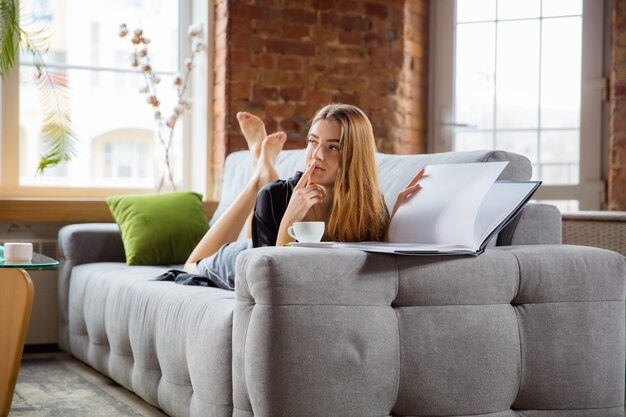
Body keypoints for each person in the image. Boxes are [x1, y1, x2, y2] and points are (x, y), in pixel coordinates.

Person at [183, 103, 424, 290]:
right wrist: (290, 216)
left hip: (261, 243)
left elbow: (372, 265)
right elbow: (267, 281)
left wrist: (394, 220)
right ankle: (259, 174)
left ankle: (262, 165)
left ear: (355, 155)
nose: (316, 155)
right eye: (312, 142)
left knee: (256, 229)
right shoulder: (276, 196)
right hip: (245, 261)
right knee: (192, 265)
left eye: (333, 147)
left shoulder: (370, 204)